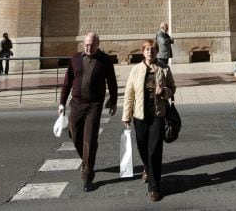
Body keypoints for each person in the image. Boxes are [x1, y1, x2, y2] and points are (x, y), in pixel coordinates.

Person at [59, 31, 118, 192]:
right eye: (86, 44)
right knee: (74, 134)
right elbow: (67, 82)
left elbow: (112, 81)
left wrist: (113, 101)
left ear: (98, 44)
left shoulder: (105, 60)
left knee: (89, 140)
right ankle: (87, 160)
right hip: (76, 103)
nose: (88, 47)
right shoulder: (75, 59)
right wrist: (62, 103)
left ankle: (87, 176)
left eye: (92, 45)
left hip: (94, 105)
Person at [122, 40, 176, 203]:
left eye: (153, 49)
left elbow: (173, 89)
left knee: (154, 151)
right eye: (147, 49)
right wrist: (126, 115)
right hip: (140, 115)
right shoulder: (136, 70)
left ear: (157, 51)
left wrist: (164, 91)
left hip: (158, 115)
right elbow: (129, 93)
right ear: (143, 52)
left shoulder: (164, 68)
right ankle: (147, 166)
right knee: (142, 146)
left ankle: (154, 187)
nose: (150, 52)